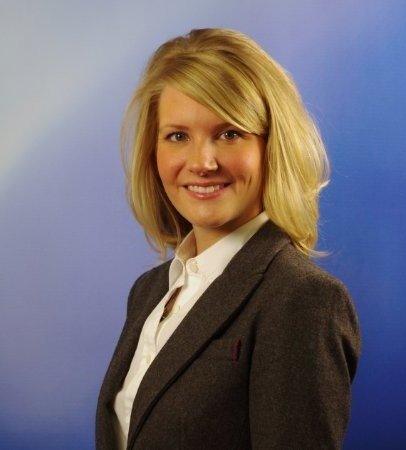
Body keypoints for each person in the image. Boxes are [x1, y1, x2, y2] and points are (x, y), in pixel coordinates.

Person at [96, 28, 361, 450]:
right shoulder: (148, 293)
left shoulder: (303, 300)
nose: (202, 162)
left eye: (229, 134)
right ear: (153, 151)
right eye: (178, 136)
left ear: (271, 146)